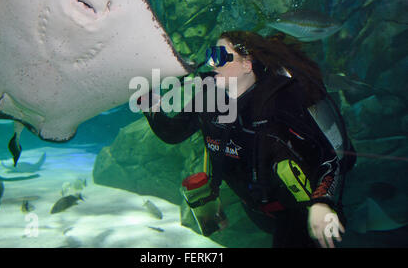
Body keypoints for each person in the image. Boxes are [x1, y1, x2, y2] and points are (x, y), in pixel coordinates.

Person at [139, 30, 353, 248]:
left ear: (247, 64)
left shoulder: (280, 101)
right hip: (254, 207)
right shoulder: (208, 97)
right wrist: (150, 106)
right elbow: (173, 133)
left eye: (221, 57)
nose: (213, 64)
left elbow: (329, 159)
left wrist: (322, 204)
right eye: (212, 56)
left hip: (299, 210)